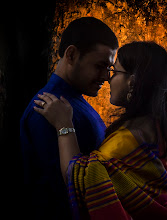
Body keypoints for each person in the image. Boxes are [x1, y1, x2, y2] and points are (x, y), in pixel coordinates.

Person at [34, 41, 167, 219]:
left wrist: (64, 125)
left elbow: (78, 179)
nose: (107, 78)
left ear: (132, 82)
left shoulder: (125, 141)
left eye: (114, 72)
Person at [20, 17, 119, 219]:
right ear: (72, 55)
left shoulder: (72, 101)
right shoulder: (46, 110)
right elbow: (63, 194)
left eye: (108, 68)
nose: (106, 76)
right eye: (100, 66)